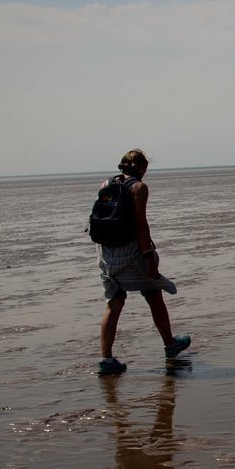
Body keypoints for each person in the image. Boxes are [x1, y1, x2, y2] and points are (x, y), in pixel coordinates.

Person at [97, 149, 190, 375]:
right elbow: (141, 224)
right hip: (132, 252)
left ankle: (106, 360)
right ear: (142, 168)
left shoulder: (105, 184)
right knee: (154, 293)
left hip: (107, 253)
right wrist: (149, 257)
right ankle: (170, 345)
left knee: (115, 302)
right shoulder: (139, 187)